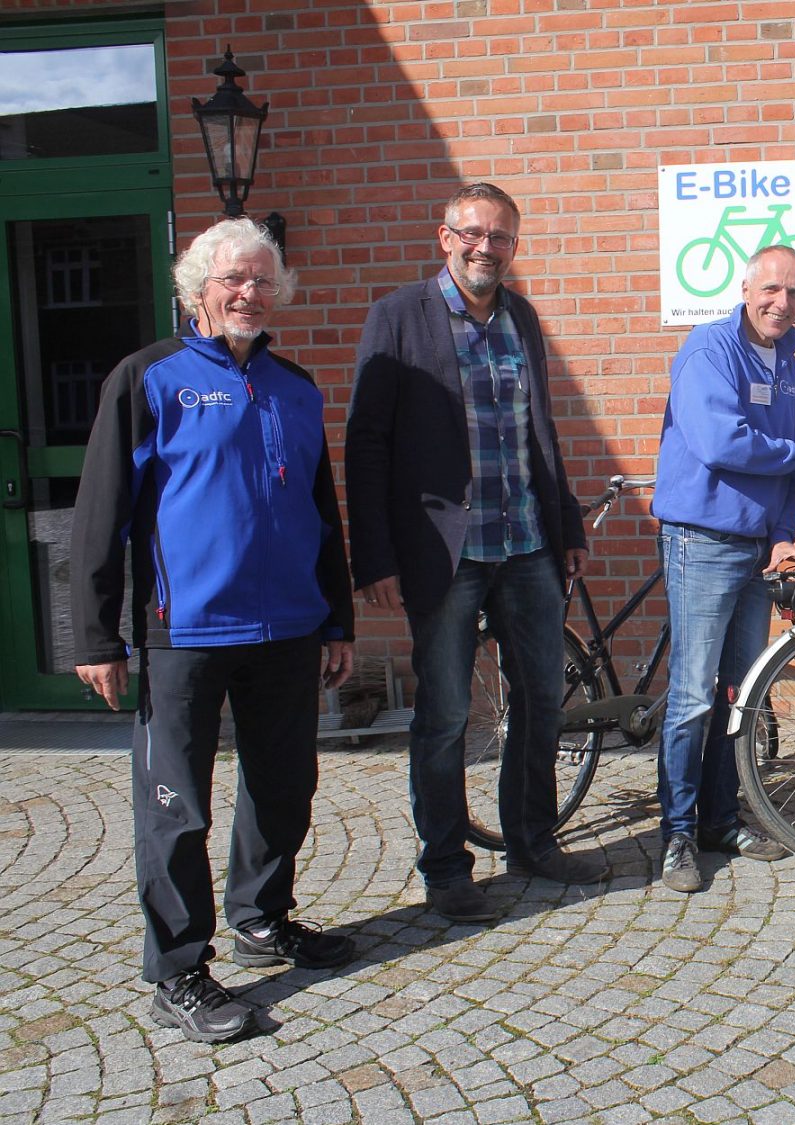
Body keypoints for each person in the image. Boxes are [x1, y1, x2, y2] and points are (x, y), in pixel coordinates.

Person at [70, 217, 357, 1043]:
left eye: (263, 281)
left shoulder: (296, 386)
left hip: (288, 626)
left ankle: (263, 918)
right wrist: (96, 635)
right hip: (183, 628)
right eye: (234, 278)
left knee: (284, 786)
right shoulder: (148, 378)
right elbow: (102, 514)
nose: (249, 293)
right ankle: (179, 969)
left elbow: (320, 509)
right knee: (176, 805)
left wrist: (334, 614)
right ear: (199, 288)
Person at [345, 183, 602, 924]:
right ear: (445, 237)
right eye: (474, 233)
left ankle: (532, 839)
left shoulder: (522, 318)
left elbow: (541, 433)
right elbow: (368, 445)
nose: (487, 247)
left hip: (526, 545)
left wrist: (566, 527)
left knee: (544, 699)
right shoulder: (399, 318)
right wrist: (376, 559)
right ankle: (448, 867)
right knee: (447, 712)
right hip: (443, 554)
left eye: (502, 237)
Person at [651, 244, 795, 892]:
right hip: (703, 543)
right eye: (772, 288)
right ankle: (675, 834)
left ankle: (721, 819)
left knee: (738, 696)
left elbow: (789, 470)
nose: (782, 302)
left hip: (757, 551)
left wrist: (784, 536)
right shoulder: (708, 349)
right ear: (746, 285)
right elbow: (719, 441)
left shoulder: (785, 363)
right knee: (694, 696)